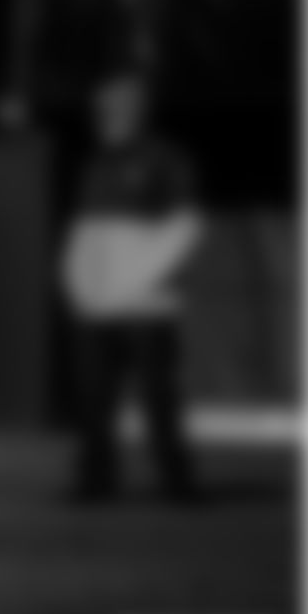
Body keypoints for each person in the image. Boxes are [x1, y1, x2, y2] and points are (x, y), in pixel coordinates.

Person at [61, 72, 206, 505]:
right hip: (98, 307)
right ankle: (95, 482)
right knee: (93, 399)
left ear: (139, 110)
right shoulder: (95, 164)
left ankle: (178, 484)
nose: (104, 115)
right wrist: (79, 286)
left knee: (159, 398)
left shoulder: (167, 160)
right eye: (101, 108)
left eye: (115, 106)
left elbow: (188, 227)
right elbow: (85, 235)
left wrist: (138, 278)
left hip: (147, 307)